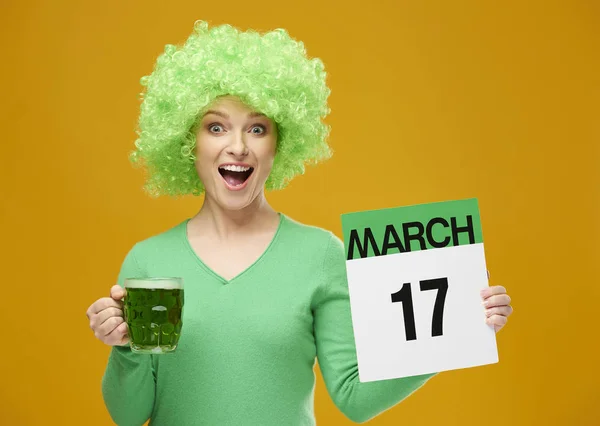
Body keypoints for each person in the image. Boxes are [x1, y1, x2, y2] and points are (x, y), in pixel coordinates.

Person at [86, 20, 513, 425]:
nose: (237, 147)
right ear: (188, 143)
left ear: (279, 143)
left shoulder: (322, 253)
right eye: (216, 127)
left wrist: (454, 331)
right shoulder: (148, 262)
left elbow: (353, 397)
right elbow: (127, 415)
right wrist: (125, 349)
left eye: (257, 128)